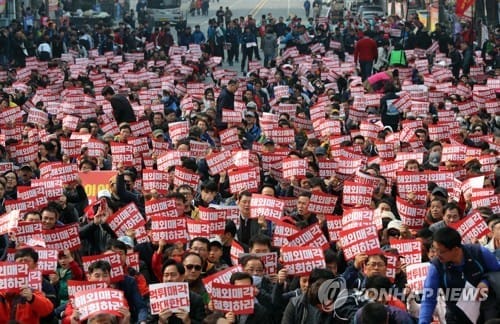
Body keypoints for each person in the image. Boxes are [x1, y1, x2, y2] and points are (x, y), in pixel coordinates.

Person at [419, 227, 500, 324]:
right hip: (457, 314)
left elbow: (497, 271)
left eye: (441, 251)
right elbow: (428, 297)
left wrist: (485, 281)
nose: (437, 254)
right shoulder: (436, 266)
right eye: (434, 249)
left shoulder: (479, 253)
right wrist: (423, 322)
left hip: (486, 308)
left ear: (456, 249)